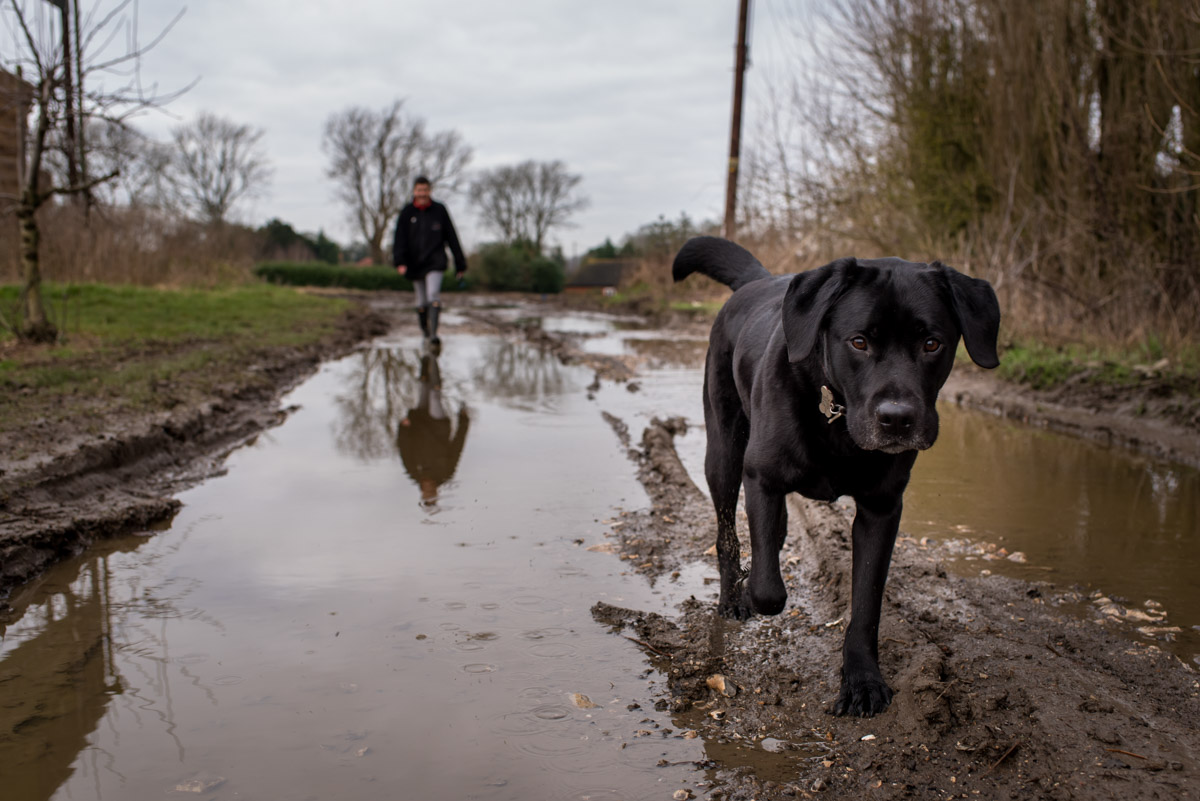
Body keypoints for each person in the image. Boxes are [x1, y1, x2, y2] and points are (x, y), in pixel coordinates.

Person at [392, 176, 467, 347]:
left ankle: (433, 334)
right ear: (414, 191)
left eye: (425, 190)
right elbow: (399, 239)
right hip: (414, 262)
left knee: (433, 294)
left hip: (435, 261)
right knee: (421, 300)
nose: (422, 193)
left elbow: (452, 237)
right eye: (419, 190)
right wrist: (400, 261)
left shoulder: (440, 210)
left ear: (430, 191)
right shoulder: (407, 212)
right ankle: (425, 332)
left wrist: (460, 263)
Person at [395, 353, 470, 508]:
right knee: (435, 394)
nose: (429, 489)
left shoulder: (413, 471)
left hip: (419, 425)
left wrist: (403, 428)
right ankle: (434, 359)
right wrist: (463, 421)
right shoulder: (446, 473)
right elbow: (457, 447)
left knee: (424, 387)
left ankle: (425, 359)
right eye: (431, 493)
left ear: (422, 492)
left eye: (427, 493)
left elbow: (404, 448)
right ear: (437, 492)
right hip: (438, 426)